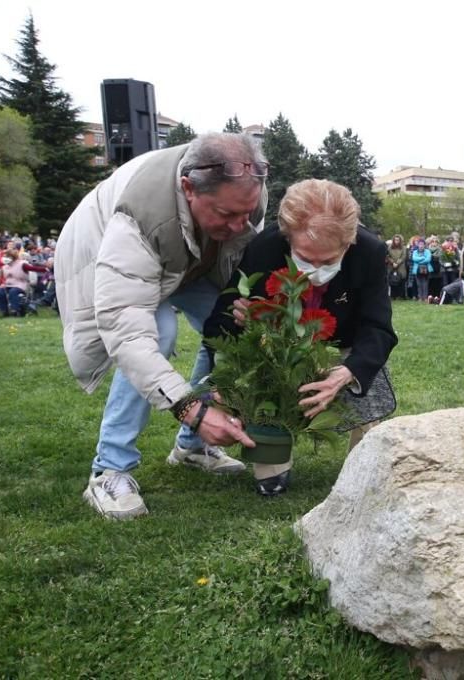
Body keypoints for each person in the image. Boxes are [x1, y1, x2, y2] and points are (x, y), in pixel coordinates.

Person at [55, 133, 267, 520]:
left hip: (188, 262)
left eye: (246, 213)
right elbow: (127, 331)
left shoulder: (246, 193)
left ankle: (191, 449)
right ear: (189, 188)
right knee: (160, 332)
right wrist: (191, 408)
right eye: (226, 215)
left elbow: (239, 262)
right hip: (109, 255)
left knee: (226, 331)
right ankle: (109, 469)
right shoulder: (139, 216)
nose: (240, 226)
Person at [205, 179, 398, 494]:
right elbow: (219, 323)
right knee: (267, 383)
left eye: (328, 261)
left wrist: (347, 372)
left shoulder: (370, 252)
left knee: (367, 379)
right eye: (306, 258)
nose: (315, 270)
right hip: (280, 344)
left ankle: (361, 464)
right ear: (287, 238)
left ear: (349, 243)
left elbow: (378, 327)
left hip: (342, 340)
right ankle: (272, 465)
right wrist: (240, 327)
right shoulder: (264, 249)